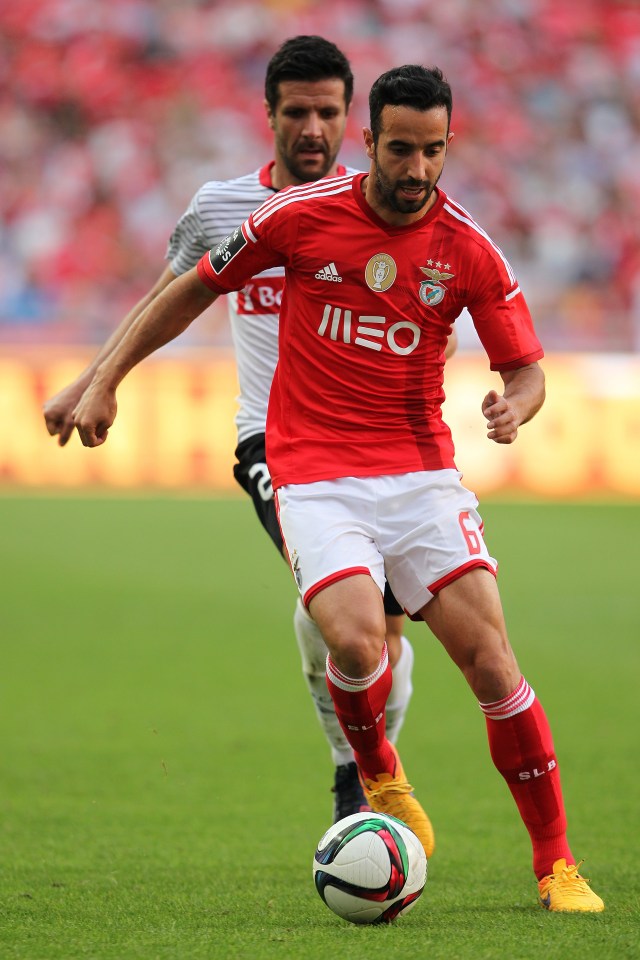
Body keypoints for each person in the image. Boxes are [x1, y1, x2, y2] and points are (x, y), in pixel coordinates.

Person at [71, 63, 603, 913]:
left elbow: (527, 368)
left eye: (432, 151)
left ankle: (557, 866)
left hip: (423, 476)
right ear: (370, 142)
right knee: (358, 646)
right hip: (312, 470)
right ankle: (378, 776)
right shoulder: (297, 218)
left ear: (447, 147)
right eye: (400, 148)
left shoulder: (468, 248)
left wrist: (518, 406)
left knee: (495, 666)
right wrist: (107, 379)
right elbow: (193, 290)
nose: (416, 168)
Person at [43, 36, 444, 828]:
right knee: (336, 603)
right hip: (275, 443)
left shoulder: (382, 213)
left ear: (351, 123)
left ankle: (365, 767)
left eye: (328, 112)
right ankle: (354, 777)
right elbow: (169, 296)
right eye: (296, 112)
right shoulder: (224, 208)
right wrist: (98, 379)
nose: (311, 128)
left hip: (373, 448)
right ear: (268, 116)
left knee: (387, 630)